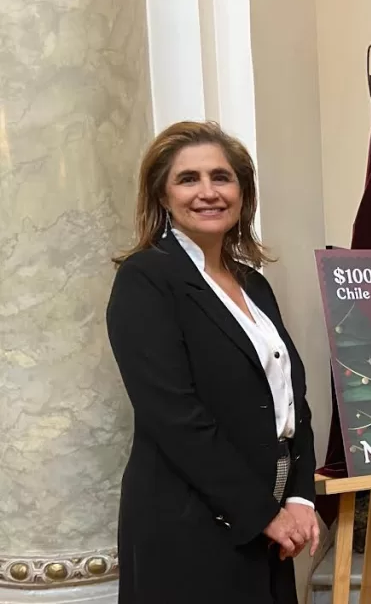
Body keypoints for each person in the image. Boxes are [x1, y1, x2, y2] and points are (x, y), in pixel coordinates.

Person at [105, 121, 319, 604]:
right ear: (162, 196)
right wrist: (263, 513)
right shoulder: (146, 280)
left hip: (267, 516)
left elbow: (289, 398)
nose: (208, 192)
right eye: (188, 179)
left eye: (221, 177)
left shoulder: (252, 283)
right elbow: (175, 418)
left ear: (242, 192)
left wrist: (301, 496)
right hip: (189, 522)